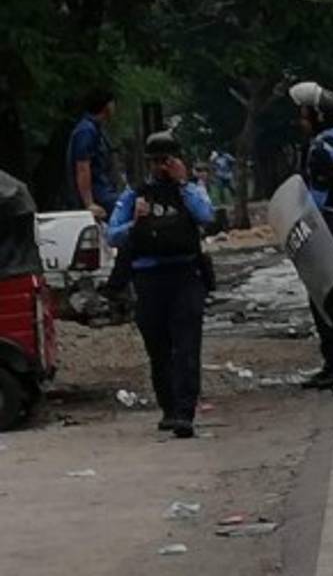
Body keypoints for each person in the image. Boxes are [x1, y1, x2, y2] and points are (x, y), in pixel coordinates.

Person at [107, 132, 213, 438]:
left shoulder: (190, 191)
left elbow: (205, 216)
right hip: (149, 279)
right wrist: (135, 221)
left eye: (166, 160)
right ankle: (169, 409)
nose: (161, 167)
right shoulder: (134, 196)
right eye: (155, 161)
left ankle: (184, 412)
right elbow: (113, 235)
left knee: (187, 347)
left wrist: (183, 183)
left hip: (185, 276)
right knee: (159, 349)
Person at [290, 82, 333, 391]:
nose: (300, 120)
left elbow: (316, 200)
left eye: (303, 114)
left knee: (324, 298)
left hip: (326, 227)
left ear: (316, 116)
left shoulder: (321, 149)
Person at [67, 88, 121, 220]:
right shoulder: (86, 131)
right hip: (99, 195)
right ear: (106, 105)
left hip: (105, 191)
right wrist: (89, 204)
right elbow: (82, 167)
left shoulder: (96, 130)